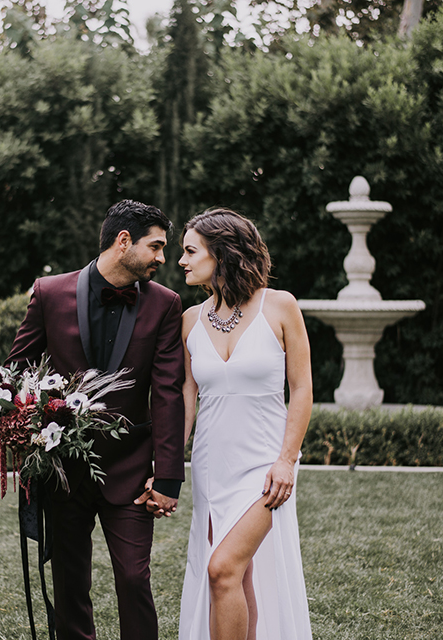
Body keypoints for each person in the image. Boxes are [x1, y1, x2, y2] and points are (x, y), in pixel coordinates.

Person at [6, 200, 186, 640]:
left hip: (131, 471)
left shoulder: (165, 304)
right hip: (63, 472)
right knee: (70, 586)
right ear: (124, 241)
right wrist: (25, 430)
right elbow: (16, 374)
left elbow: (166, 393)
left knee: (133, 580)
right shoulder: (49, 293)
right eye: (157, 246)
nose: (164, 259)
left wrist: (168, 478)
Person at [176, 208, 313, 640]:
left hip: (265, 465)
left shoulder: (280, 305)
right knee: (238, 577)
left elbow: (303, 388)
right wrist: (167, 463)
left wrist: (287, 461)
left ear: (222, 253)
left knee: (223, 569)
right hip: (212, 468)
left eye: (190, 251)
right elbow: (187, 396)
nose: (181, 261)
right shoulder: (189, 321)